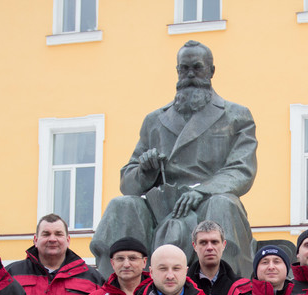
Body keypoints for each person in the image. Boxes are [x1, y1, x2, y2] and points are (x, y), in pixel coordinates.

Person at [91, 40, 257, 277]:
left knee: (223, 205)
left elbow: (242, 169)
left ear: (211, 71)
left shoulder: (236, 115)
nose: (190, 75)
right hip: (163, 207)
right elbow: (128, 183)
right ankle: (118, 291)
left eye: (197, 68)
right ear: (177, 71)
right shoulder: (154, 120)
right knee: (122, 205)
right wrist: (145, 171)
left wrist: (202, 191)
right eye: (184, 68)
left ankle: (226, 291)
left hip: (207, 201)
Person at [188, 220, 242, 295]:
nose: (209, 247)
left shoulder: (241, 288)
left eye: (214, 242)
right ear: (195, 246)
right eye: (203, 243)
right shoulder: (183, 286)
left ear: (223, 245)